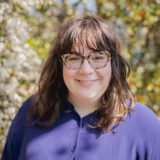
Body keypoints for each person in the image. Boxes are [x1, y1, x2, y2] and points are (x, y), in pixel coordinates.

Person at [1, 15, 160, 160]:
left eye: (98, 57)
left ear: (114, 63)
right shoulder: (31, 112)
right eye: (74, 58)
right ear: (60, 64)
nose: (85, 70)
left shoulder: (145, 126)